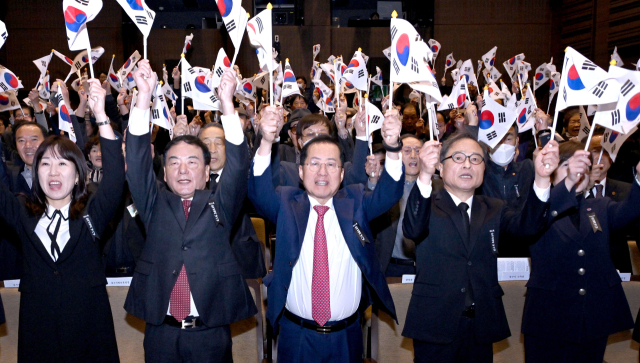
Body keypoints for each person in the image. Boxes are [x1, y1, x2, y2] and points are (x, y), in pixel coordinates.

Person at [124, 60, 257, 362]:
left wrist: (227, 106)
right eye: (174, 163)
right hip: (161, 334)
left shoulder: (220, 204)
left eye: (192, 162)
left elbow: (238, 167)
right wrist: (143, 97)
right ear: (165, 172)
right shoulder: (154, 203)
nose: (183, 170)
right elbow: (137, 159)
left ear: (208, 170)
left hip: (209, 335)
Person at [248, 106, 405, 363]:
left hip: (347, 336)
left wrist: (393, 148)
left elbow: (388, 194)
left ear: (342, 174)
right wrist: (266, 140)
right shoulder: (287, 203)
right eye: (314, 164)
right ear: (300, 171)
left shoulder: (355, 202)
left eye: (331, 165)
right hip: (296, 336)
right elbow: (258, 191)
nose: (322, 172)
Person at [401, 132, 560, 363]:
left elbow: (529, 227)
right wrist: (424, 174)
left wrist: (543, 178)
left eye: (476, 159)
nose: (467, 164)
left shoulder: (494, 208)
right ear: (441, 168)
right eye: (458, 158)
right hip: (434, 324)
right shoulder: (427, 204)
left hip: (481, 326)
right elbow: (412, 230)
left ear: (484, 170)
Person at [0, 78, 124, 363]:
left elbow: (116, 178)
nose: (53, 173)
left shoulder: (92, 212)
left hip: (90, 335)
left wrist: (102, 116)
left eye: (62, 164)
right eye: (45, 164)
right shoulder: (22, 213)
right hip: (38, 337)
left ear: (79, 173)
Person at [522, 141, 640, 363]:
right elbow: (533, 220)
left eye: (584, 167)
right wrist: (565, 184)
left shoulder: (599, 206)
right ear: (553, 168)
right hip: (549, 314)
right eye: (572, 165)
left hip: (593, 313)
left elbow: (630, 210)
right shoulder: (538, 205)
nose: (579, 171)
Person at [586, 130, 637, 272]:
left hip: (617, 262)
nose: (601, 157)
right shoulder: (574, 189)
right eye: (596, 151)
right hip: (583, 262)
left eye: (607, 152)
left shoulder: (627, 190)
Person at [371, 134, 423, 276]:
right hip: (391, 267)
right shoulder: (386, 188)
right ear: (397, 155)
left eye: (418, 151)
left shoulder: (436, 188)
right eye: (407, 151)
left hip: (426, 268)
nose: (413, 155)